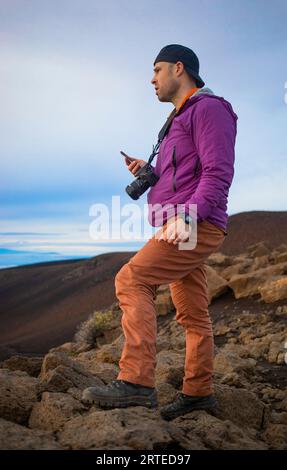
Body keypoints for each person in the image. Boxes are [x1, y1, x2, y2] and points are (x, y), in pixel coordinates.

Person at [82, 44, 238, 420]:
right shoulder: (178, 120)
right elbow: (184, 172)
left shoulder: (209, 110)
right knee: (194, 314)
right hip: (184, 222)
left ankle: (136, 383)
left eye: (157, 70)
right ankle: (198, 394)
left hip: (193, 224)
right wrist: (147, 172)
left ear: (179, 69)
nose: (152, 79)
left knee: (131, 279)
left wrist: (187, 217)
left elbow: (218, 172)